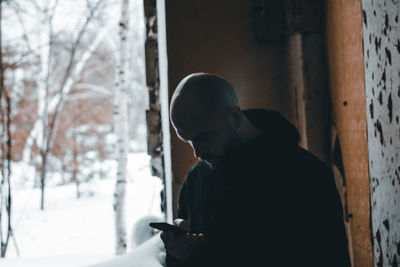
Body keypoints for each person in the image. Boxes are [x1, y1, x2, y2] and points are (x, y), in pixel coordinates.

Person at [161, 73, 351, 267]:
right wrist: (178, 253)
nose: (198, 152)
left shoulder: (305, 175)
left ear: (235, 117)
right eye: (189, 141)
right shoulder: (196, 180)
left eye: (204, 137)